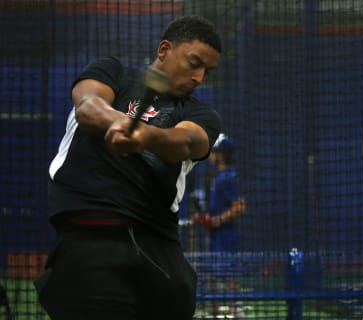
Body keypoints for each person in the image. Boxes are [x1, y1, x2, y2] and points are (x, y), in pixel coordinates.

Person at [34, 15, 223, 320]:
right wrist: (121, 123)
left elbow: (187, 141)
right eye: (194, 63)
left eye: (207, 72)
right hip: (89, 246)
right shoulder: (113, 72)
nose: (199, 78)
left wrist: (145, 136)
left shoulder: (201, 113)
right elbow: (87, 105)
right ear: (164, 49)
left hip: (158, 253)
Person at [193, 133, 246, 317]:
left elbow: (239, 207)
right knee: (211, 275)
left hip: (226, 235)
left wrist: (216, 221)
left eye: (214, 152)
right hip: (217, 236)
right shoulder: (220, 178)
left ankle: (236, 312)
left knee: (229, 275)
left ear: (221, 154)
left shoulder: (227, 178)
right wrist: (208, 218)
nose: (211, 156)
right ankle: (215, 312)